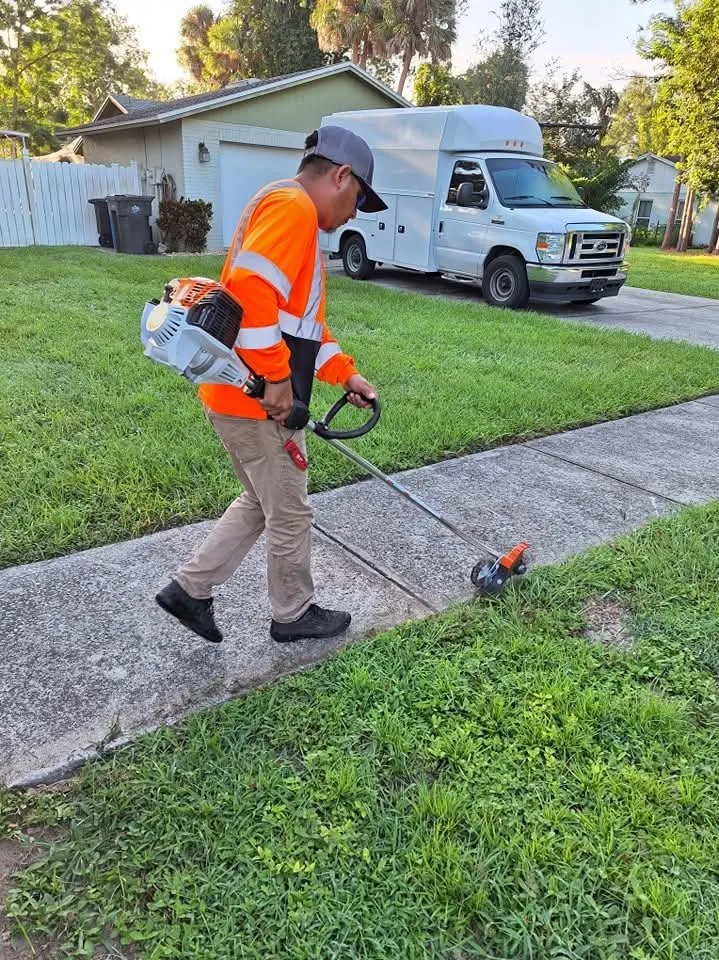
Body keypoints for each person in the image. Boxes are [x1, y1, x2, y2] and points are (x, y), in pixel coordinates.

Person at [156, 125, 386, 645]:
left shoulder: (283, 204)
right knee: (291, 512)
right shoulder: (294, 208)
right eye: (358, 200)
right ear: (341, 175)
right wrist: (278, 382)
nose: (354, 215)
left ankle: (190, 590)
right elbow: (252, 291)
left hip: (233, 397)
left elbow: (300, 325)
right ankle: (293, 613)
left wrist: (344, 373)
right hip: (257, 403)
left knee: (263, 502)